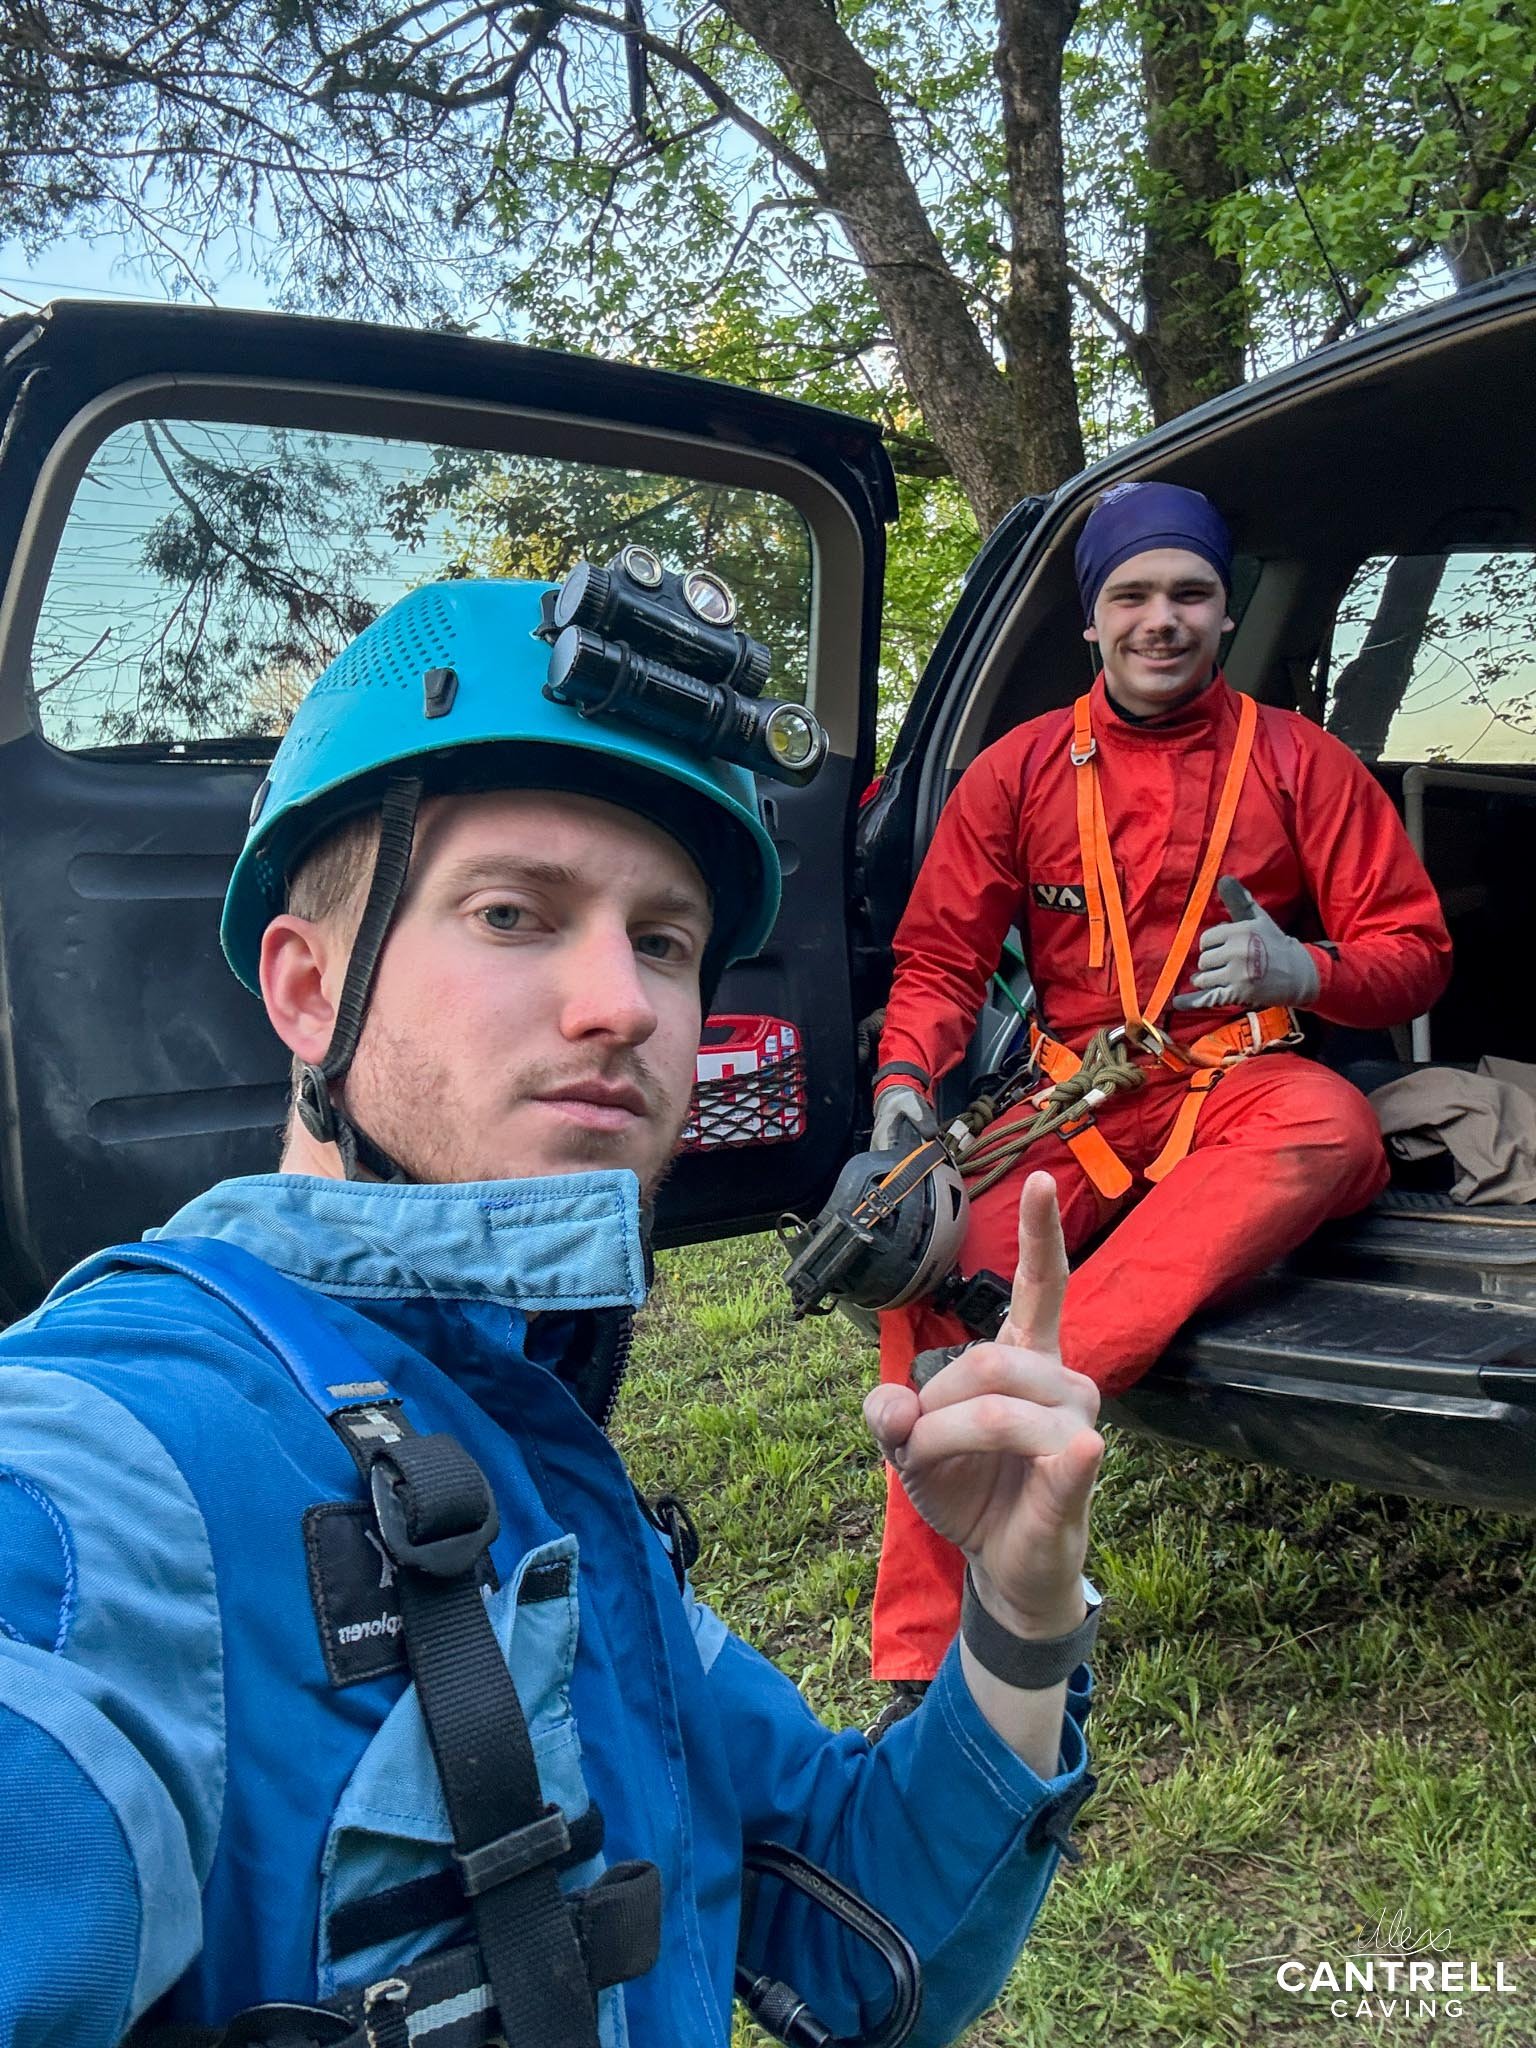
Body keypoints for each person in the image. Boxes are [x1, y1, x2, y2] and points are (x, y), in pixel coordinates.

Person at [0, 574, 1104, 2048]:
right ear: (308, 989)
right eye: (515, 912)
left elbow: (867, 1946)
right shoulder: (101, 1468)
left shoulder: (539, 1470)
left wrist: (1021, 1622)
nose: (622, 1004)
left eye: (663, 942)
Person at [867, 481, 1451, 1706]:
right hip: (1080, 1094)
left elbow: (1418, 948)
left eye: (1189, 592)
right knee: (933, 1257)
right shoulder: (1020, 770)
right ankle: (926, 1659)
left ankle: (1028, 1384)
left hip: (1243, 1080)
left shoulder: (1303, 760)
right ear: (1093, 618)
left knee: (1333, 1124)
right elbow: (938, 961)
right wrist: (906, 1092)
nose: (1162, 618)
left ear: (1224, 611)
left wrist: (1311, 967)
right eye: (1132, 594)